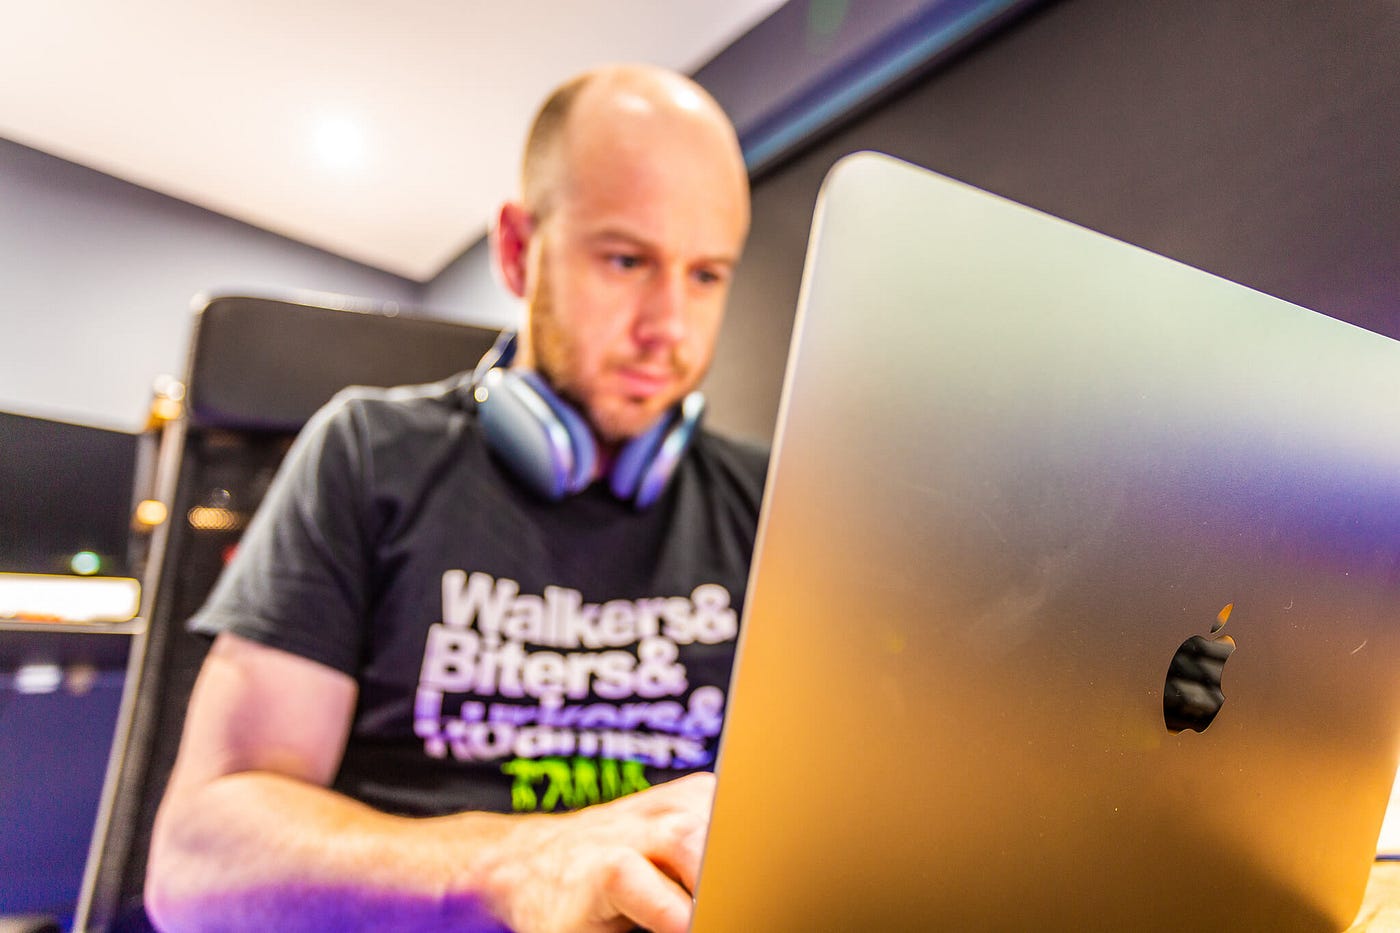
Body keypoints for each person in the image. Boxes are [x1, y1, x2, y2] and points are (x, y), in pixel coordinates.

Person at [144, 63, 764, 933]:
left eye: (706, 275)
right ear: (517, 250)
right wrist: (521, 865)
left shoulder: (766, 503)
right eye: (626, 260)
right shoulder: (368, 454)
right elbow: (196, 863)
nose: (669, 327)